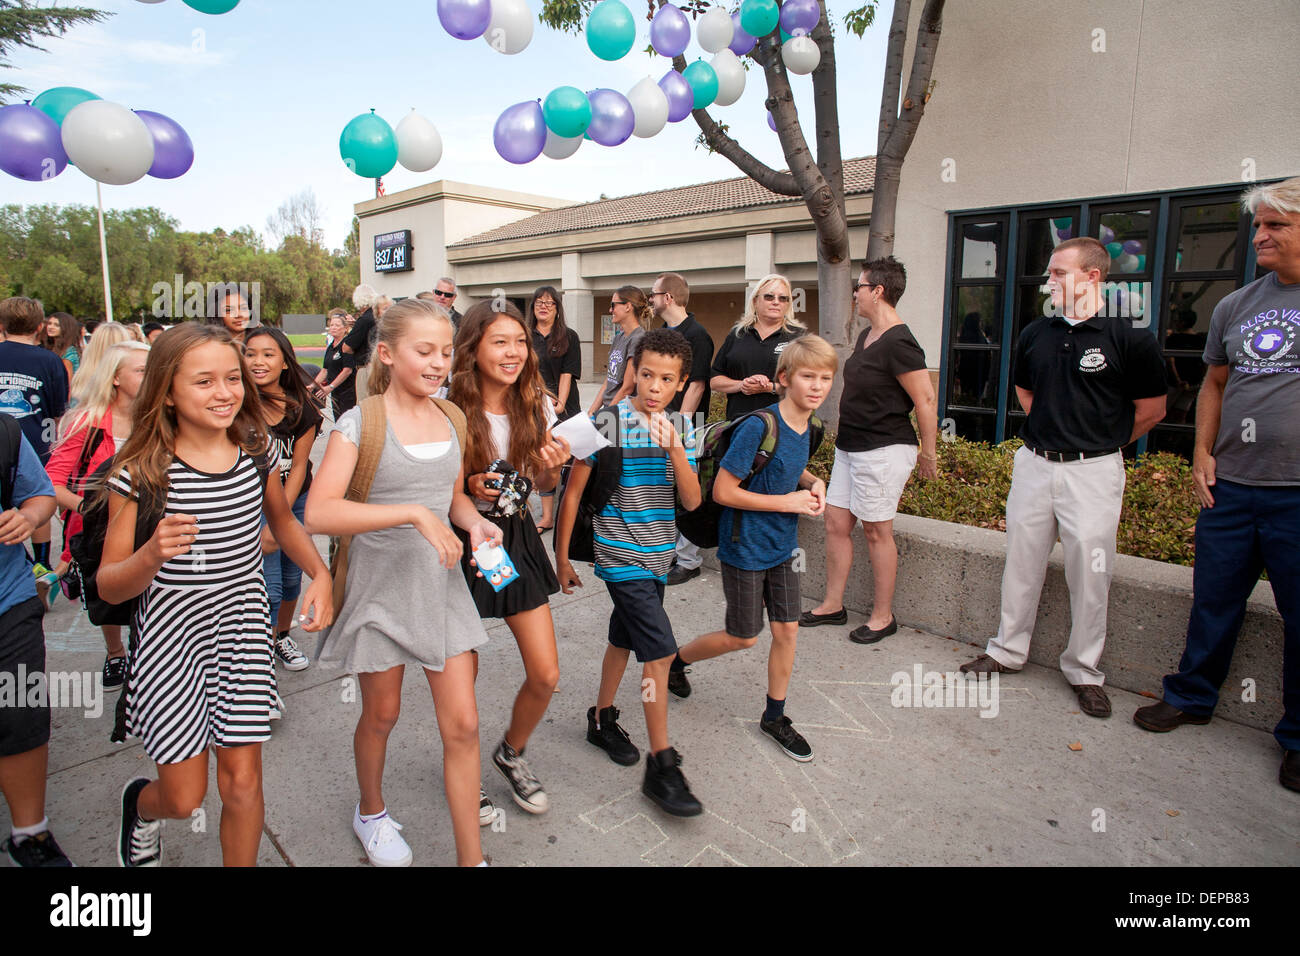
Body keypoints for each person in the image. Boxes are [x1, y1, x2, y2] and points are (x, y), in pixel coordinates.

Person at [95, 324, 331, 867]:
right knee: (183, 797)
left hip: (244, 635)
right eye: (204, 381)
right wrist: (151, 554)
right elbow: (109, 582)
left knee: (243, 785)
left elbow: (282, 520)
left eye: (233, 378)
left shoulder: (255, 451)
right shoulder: (140, 472)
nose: (225, 392)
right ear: (167, 390)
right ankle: (143, 806)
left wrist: (320, 573)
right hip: (172, 646)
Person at [310, 298, 499, 866]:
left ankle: (473, 859)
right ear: (388, 354)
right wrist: (414, 515)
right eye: (425, 351)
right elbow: (319, 512)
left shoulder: (452, 417)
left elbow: (452, 497)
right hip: (379, 590)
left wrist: (474, 521)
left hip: (440, 589)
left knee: (463, 725)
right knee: (382, 714)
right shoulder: (358, 424)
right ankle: (371, 813)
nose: (439, 362)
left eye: (445, 351)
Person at [1132, 176, 1300, 793]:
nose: (1260, 236)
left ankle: (1298, 738)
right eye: (1257, 226)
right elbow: (1215, 386)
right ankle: (1192, 697)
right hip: (1232, 488)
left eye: (1275, 226)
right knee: (1214, 600)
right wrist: (1202, 450)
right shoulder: (1237, 306)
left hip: (1296, 495)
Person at [958, 237, 1167, 717]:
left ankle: (1084, 671)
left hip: (1093, 472)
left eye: (1059, 273)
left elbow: (1152, 410)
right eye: (1049, 273)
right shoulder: (1036, 333)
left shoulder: (1130, 337)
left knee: (1090, 575)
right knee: (1021, 564)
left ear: (1093, 277)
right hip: (1034, 464)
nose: (1049, 281)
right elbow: (1027, 395)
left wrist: (1100, 441)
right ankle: (1007, 651)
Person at [555, 327, 706, 816]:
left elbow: (692, 502)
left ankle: (601, 719)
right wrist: (560, 558)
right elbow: (573, 492)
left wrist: (676, 450)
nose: (655, 387)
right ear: (633, 372)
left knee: (623, 640)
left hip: (659, 556)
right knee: (659, 656)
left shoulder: (684, 429)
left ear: (681, 383)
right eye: (646, 375)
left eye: (666, 379)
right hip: (619, 556)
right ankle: (662, 765)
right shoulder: (606, 422)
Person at [669, 336, 835, 761]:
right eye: (808, 377)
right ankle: (677, 661)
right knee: (742, 637)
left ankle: (774, 716)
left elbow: (790, 467)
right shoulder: (758, 426)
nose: (817, 386)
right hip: (743, 545)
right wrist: (788, 502)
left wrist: (811, 482)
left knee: (787, 630)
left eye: (826, 378)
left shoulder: (812, 427)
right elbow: (724, 491)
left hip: (783, 546)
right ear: (784, 379)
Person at [449, 301, 571, 819]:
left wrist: (552, 469)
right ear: (473, 347)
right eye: (500, 342)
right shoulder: (446, 405)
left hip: (514, 535)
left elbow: (543, 484)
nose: (513, 352)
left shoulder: (538, 403)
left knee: (545, 673)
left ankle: (511, 752)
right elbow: (445, 491)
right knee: (462, 682)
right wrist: (472, 485)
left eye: (520, 342)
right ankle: (464, 773)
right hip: (458, 540)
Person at [800, 257, 939, 641]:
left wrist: (928, 453)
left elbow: (925, 400)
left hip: (885, 448)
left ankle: (883, 616)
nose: (854, 295)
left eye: (858, 287)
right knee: (836, 522)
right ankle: (832, 604)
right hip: (851, 446)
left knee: (877, 531)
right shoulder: (867, 335)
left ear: (877, 291)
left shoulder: (901, 341)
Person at [44, 341, 150, 692]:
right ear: (116, 378)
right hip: (101, 531)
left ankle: (148, 654)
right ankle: (115, 652)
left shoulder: (159, 419)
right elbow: (51, 483)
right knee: (108, 595)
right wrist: (91, 509)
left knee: (148, 594)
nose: (150, 376)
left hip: (149, 525)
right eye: (140, 370)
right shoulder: (86, 423)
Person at [0, 416, 71, 866]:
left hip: (9, 600)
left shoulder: (4, 432)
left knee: (22, 713)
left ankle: (30, 832)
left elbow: (41, 493)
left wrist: (26, 516)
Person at [244, 327, 323, 673]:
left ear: (285, 363)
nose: (258, 361)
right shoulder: (235, 407)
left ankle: (281, 636)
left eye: (268, 354)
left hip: (295, 500)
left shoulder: (302, 409)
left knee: (293, 578)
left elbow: (301, 465)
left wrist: (282, 518)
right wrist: (270, 521)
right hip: (251, 508)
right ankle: (258, 658)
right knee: (269, 584)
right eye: (250, 353)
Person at [0, 297, 69, 605]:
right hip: (35, 441)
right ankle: (41, 564)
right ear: (40, 327)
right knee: (37, 502)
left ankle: (25, 564)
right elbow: (58, 410)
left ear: (1, 326)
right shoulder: (49, 360)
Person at [650, 272, 716, 586]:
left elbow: (697, 385)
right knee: (665, 489)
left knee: (687, 489)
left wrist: (679, 426)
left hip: (686, 425)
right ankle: (671, 552)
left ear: (669, 297)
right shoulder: (664, 333)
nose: (649, 300)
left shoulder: (697, 335)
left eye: (653, 294)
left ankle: (689, 561)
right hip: (660, 421)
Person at [709, 274, 806, 421]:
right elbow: (715, 380)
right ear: (755, 301)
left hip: (782, 426)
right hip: (739, 424)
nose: (776, 302)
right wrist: (742, 384)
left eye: (783, 298)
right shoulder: (737, 334)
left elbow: (805, 386)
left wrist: (770, 387)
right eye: (769, 297)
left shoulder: (798, 338)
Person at [527, 286, 581, 532]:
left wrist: (559, 403)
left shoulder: (568, 336)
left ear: (557, 309)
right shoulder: (526, 336)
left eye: (550, 302)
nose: (544, 306)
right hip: (535, 407)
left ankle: (572, 516)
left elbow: (568, 373)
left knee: (573, 459)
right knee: (545, 459)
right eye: (539, 301)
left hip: (564, 407)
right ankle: (547, 517)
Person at [588, 286, 650, 416]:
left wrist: (606, 416)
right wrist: (592, 411)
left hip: (623, 414)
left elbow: (627, 388)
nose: (610, 310)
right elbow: (609, 379)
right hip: (611, 408)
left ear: (628, 307)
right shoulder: (618, 338)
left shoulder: (638, 339)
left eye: (613, 305)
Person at [315, 311, 357, 420]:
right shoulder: (331, 347)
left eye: (337, 325)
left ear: (345, 328)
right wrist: (313, 385)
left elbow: (347, 370)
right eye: (331, 325)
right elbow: (325, 370)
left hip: (348, 392)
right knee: (338, 421)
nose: (333, 327)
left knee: (347, 422)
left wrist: (330, 386)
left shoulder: (346, 345)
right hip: (335, 393)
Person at [341, 285, 381, 397]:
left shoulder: (364, 320)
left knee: (364, 403)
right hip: (379, 367)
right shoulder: (378, 317)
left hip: (365, 368)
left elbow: (346, 347)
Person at [43, 312, 83, 382]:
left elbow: (68, 382)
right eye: (49, 323)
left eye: (56, 325)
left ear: (66, 328)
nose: (51, 327)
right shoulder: (50, 347)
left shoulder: (69, 352)